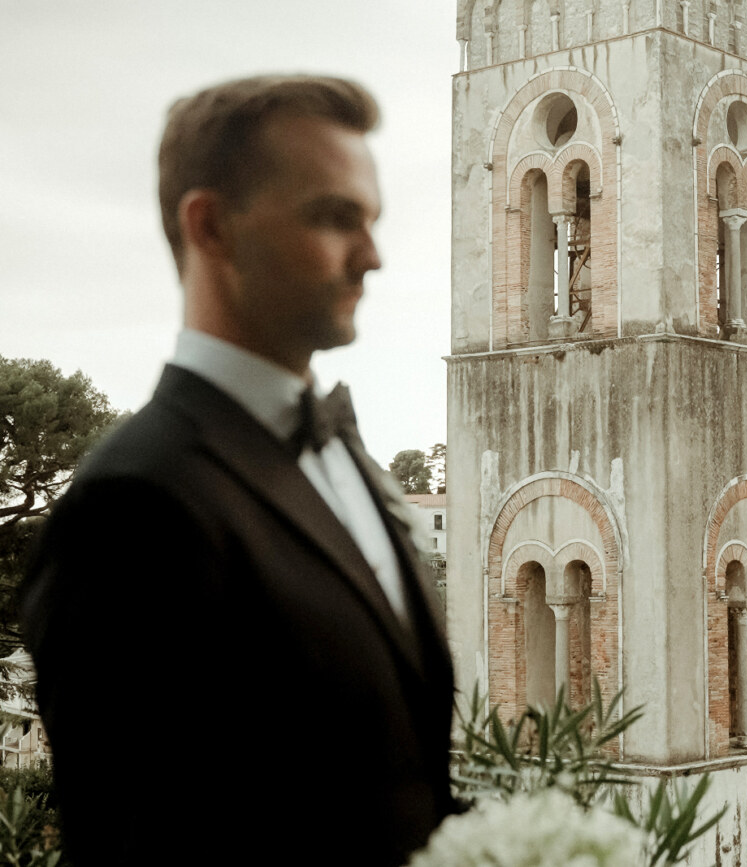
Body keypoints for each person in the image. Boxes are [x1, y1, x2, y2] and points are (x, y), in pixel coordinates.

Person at [21, 75, 459, 866]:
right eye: (334, 217)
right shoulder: (133, 507)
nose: (373, 257)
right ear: (211, 226)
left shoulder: (348, 457)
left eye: (373, 220)